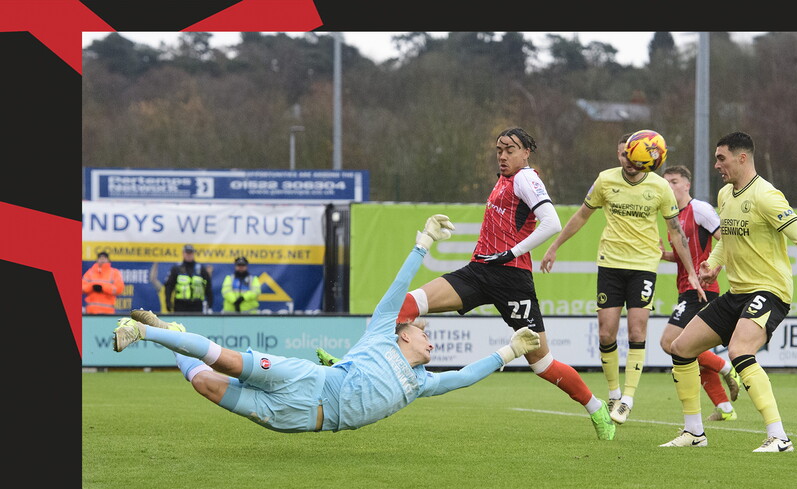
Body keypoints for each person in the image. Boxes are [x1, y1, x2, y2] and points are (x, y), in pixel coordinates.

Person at [112, 215, 542, 434]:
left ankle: (174, 339)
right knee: (225, 362)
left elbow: (464, 377)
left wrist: (510, 351)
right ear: (404, 332)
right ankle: (145, 331)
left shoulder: (421, 382)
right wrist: (422, 244)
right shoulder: (381, 333)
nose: (430, 338)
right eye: (425, 330)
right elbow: (397, 289)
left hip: (303, 420)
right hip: (311, 381)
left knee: (205, 385)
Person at [318, 127, 617, 440]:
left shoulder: (526, 178)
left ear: (526, 152)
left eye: (510, 150)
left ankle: (596, 408)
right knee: (406, 304)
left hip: (512, 279)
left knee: (542, 364)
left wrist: (512, 252)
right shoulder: (504, 179)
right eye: (499, 150)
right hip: (479, 271)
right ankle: (352, 363)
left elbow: (552, 222)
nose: (503, 156)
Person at [660, 132, 797, 452]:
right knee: (680, 348)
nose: (717, 164)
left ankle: (779, 437)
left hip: (769, 291)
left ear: (742, 158)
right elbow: (727, 240)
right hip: (736, 293)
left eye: (722, 158)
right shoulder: (724, 195)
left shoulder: (767, 196)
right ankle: (694, 432)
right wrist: (712, 264)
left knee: (739, 352)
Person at [539, 132, 705, 426]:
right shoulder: (605, 180)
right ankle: (614, 393)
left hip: (643, 265)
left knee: (637, 332)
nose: (628, 160)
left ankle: (628, 398)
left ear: (646, 158)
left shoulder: (659, 187)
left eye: (633, 155)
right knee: (606, 333)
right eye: (624, 154)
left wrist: (691, 271)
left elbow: (676, 231)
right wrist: (554, 246)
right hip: (610, 264)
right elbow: (581, 216)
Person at [659, 165, 741, 422]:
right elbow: (685, 256)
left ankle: (726, 367)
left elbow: (726, 240)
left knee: (669, 343)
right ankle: (725, 408)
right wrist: (663, 255)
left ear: (686, 185)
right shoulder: (673, 216)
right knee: (691, 350)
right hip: (686, 289)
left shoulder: (700, 209)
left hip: (702, 290)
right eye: (665, 182)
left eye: (674, 181)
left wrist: (715, 267)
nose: (669, 187)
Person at [164, 244, 213, 313]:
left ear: (193, 254)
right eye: (187, 253)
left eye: (190, 253)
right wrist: (168, 302)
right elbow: (169, 286)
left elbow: (208, 287)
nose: (189, 255)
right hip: (180, 305)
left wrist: (210, 304)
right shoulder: (176, 269)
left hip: (197, 305)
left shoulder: (201, 269)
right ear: (183, 253)